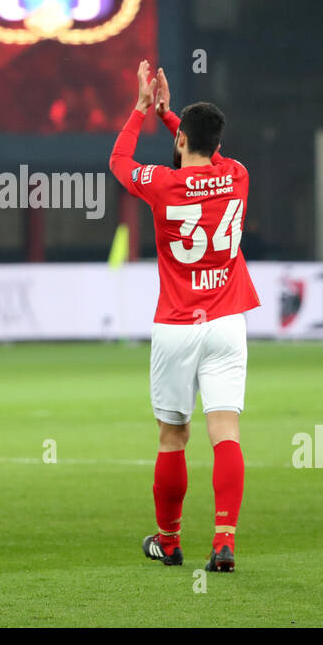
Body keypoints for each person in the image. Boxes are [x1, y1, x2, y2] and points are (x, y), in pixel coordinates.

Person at [109, 61, 261, 572]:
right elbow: (205, 152)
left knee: (173, 436)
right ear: (218, 141)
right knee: (226, 433)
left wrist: (141, 109)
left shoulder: (162, 185)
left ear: (180, 144)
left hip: (176, 325)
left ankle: (170, 542)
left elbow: (119, 160)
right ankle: (224, 539)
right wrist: (171, 116)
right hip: (226, 322)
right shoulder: (236, 175)